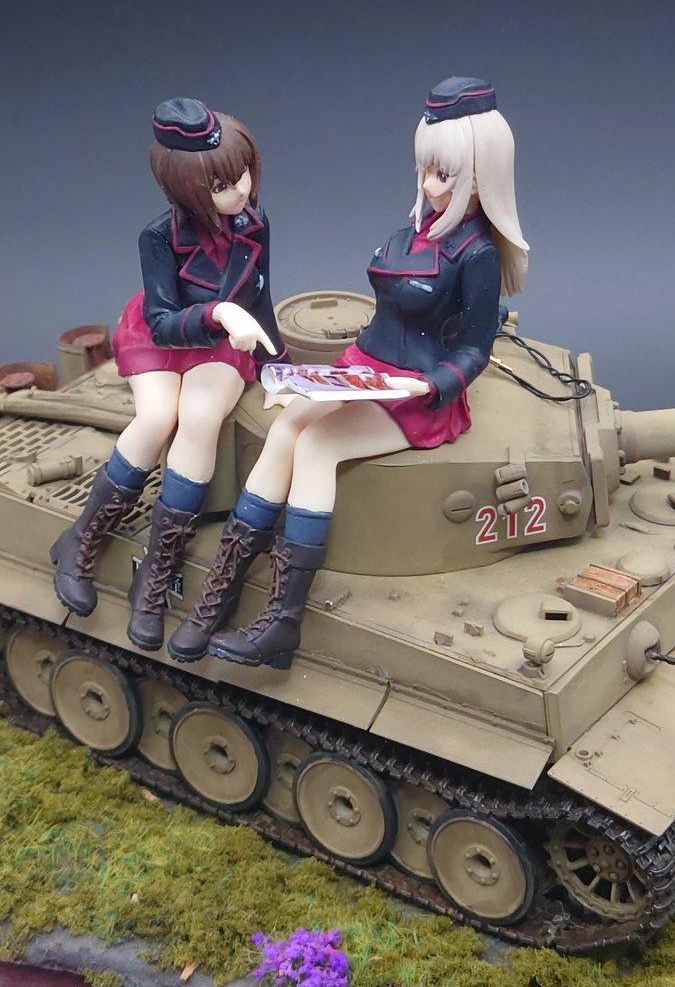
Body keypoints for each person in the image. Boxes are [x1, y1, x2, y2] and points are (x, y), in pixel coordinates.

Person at [167, 76, 528, 670]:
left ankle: (282, 623)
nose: (428, 184)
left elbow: (475, 349)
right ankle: (217, 597)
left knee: (318, 447)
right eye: (425, 169)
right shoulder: (418, 229)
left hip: (413, 393)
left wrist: (431, 385)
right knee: (286, 427)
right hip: (363, 367)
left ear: (479, 174)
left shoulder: (477, 254)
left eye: (444, 174)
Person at [51, 97, 286, 649]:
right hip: (167, 333)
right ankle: (81, 539)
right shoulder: (158, 236)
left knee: (199, 417)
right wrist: (217, 313)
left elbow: (260, 296)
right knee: (158, 417)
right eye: (221, 184)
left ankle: (155, 576)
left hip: (223, 341)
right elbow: (161, 320)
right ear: (184, 188)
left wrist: (277, 367)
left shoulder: (254, 224)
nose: (240, 190)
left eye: (244, 172)